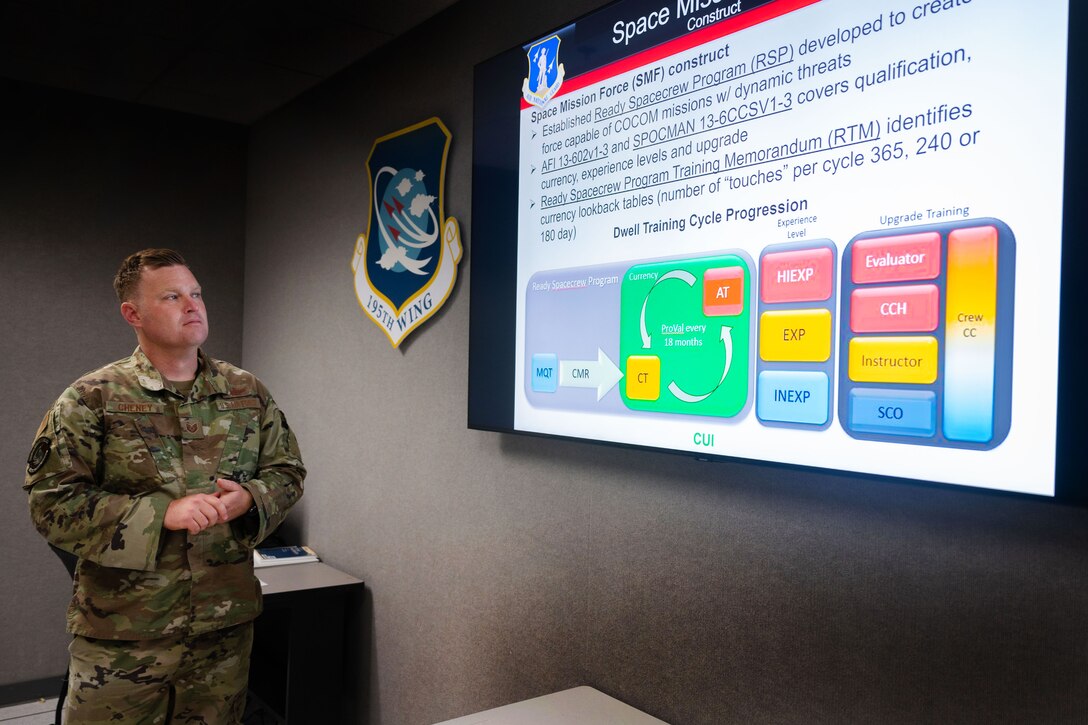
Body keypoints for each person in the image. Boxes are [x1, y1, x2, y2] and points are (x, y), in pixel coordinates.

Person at [24, 249, 306, 723]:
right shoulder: (92, 397)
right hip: (125, 637)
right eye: (173, 296)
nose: (192, 305)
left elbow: (287, 471)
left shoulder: (247, 391)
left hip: (224, 632)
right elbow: (51, 503)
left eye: (195, 293)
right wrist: (162, 514)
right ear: (132, 314)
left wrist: (251, 500)